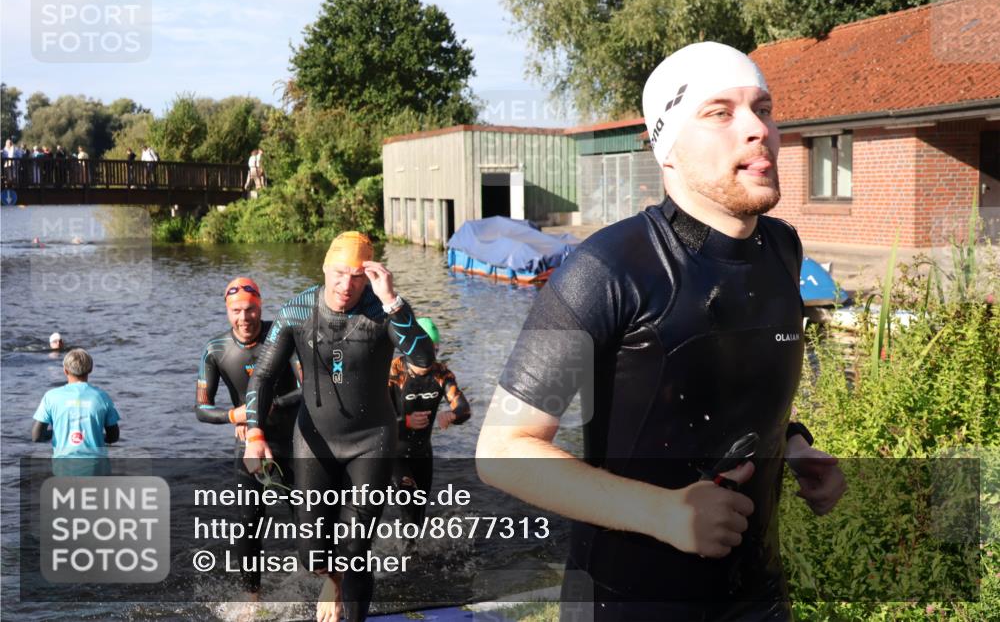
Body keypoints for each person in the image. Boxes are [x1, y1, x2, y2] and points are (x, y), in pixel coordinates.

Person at [476, 42, 847, 621]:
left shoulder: (783, 248)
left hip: (757, 593)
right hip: (627, 600)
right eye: (719, 113)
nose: (757, 129)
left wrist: (794, 444)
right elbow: (502, 450)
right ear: (666, 147)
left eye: (764, 108)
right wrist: (664, 514)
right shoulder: (603, 270)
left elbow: (731, 386)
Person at [242, 231, 435, 622]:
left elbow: (424, 359)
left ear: (370, 277)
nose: (347, 286)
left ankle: (350, 597)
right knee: (311, 550)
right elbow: (262, 375)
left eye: (358, 277)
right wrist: (255, 432)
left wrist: (392, 301)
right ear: (325, 267)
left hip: (372, 441)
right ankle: (332, 578)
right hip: (314, 441)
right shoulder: (297, 310)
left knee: (356, 546)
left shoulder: (383, 309)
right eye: (340, 274)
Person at [195, 276, 303, 604]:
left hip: (294, 441)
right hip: (248, 443)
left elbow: (309, 387)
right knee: (248, 523)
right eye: (237, 311)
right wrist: (236, 415)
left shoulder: (282, 335)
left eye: (251, 310)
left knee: (309, 520)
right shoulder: (215, 350)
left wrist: (273, 404)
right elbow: (201, 408)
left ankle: (326, 578)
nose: (245, 318)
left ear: (261, 307)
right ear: (227, 312)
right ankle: (252, 599)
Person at [388, 317, 471, 526]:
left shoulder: (441, 373)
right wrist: (405, 421)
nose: (428, 355)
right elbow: (373, 417)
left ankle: (411, 552)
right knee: (407, 498)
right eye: (425, 348)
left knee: (418, 514)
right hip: (393, 452)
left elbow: (463, 407)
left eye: (433, 348)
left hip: (423, 452)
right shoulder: (394, 371)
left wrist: (452, 415)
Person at [32, 348, 120, 476]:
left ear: (65, 370)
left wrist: (58, 432)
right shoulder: (102, 397)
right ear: (90, 369)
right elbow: (114, 437)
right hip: (96, 469)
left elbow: (36, 436)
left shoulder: (51, 397)